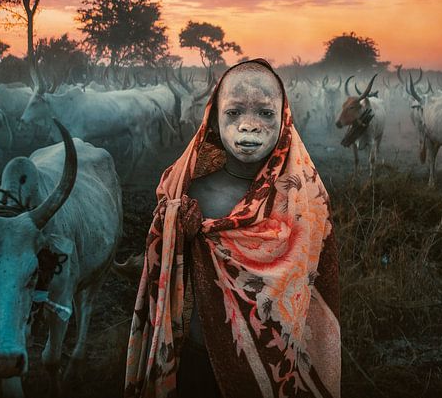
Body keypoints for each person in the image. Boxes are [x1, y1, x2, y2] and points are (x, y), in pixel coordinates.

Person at [125, 58, 340, 398]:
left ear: (284, 119)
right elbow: (162, 274)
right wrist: (180, 231)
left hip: (279, 361)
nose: (249, 126)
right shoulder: (185, 192)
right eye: (234, 112)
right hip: (196, 358)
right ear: (213, 117)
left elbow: (313, 289)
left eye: (265, 114)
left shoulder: (306, 197)